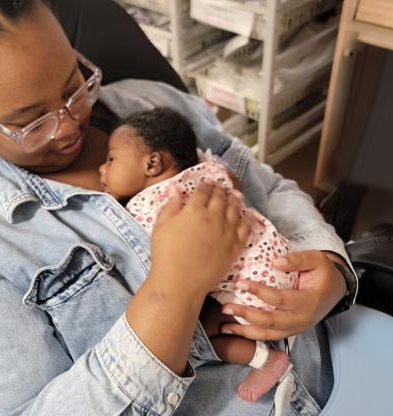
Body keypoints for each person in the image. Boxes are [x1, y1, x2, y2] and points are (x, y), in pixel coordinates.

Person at [0, 0, 357, 414]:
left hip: (339, 365)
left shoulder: (150, 104)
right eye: (31, 121)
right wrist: (172, 291)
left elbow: (271, 188)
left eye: (72, 87)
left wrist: (328, 263)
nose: (67, 127)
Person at [98, 108, 299, 403]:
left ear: (152, 163)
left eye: (111, 159)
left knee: (195, 335)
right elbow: (234, 181)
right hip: (282, 259)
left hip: (252, 293)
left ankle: (266, 360)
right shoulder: (206, 169)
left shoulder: (147, 208)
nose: (102, 169)